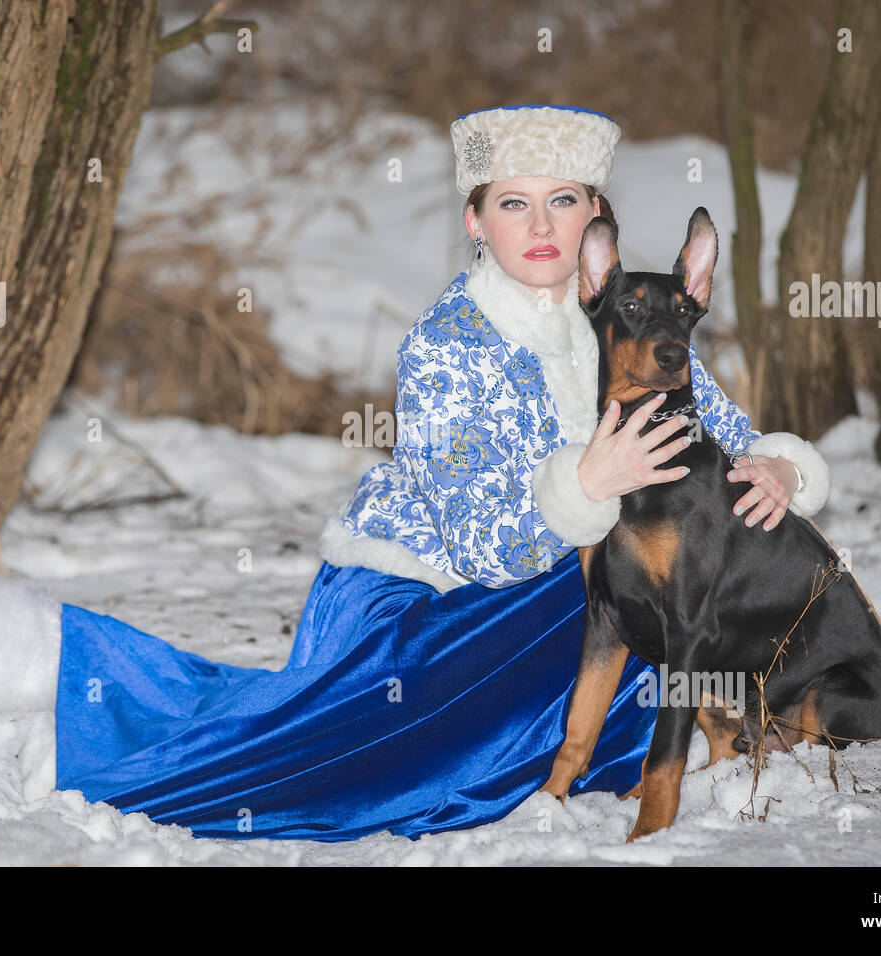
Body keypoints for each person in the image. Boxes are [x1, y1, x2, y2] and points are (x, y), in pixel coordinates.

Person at [53, 104, 832, 842]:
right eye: (511, 203)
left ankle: (698, 723)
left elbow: (732, 437)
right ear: (474, 219)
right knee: (584, 601)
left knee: (658, 569)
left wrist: (780, 471)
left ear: (597, 216)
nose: (539, 226)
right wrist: (588, 484)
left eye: (562, 200)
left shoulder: (640, 319)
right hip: (421, 593)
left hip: (564, 590)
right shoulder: (447, 344)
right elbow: (477, 548)